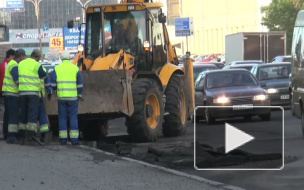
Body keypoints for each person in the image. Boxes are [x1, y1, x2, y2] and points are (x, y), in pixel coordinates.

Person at [51, 50, 83, 145]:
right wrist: (79, 95)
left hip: (61, 97)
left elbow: (53, 84)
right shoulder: (75, 68)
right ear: (69, 58)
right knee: (73, 118)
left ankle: (63, 139)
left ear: (61, 58)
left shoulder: (57, 68)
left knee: (62, 118)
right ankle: (74, 140)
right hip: (73, 98)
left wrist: (55, 90)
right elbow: (80, 84)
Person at [18, 49, 47, 145]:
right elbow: (43, 75)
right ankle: (30, 137)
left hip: (22, 92)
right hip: (33, 93)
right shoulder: (37, 64)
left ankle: (22, 136)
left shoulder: (21, 63)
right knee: (32, 114)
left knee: (23, 113)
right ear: (37, 57)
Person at [2, 49, 26, 143]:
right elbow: (17, 80)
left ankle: (7, 134)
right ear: (20, 56)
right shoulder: (14, 65)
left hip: (8, 93)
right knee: (13, 115)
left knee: (8, 115)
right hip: (12, 93)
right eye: (24, 57)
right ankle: (12, 136)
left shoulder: (11, 63)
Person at [0, 49, 16, 140]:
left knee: (7, 113)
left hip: (5, 91)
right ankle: (7, 134)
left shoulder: (4, 64)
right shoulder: (7, 65)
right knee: (9, 113)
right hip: (7, 91)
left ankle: (6, 133)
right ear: (11, 56)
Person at [37, 66, 52, 143]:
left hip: (32, 95)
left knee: (32, 115)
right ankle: (43, 134)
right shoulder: (43, 69)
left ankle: (33, 134)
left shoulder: (27, 68)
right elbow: (47, 83)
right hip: (40, 96)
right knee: (42, 115)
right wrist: (49, 92)